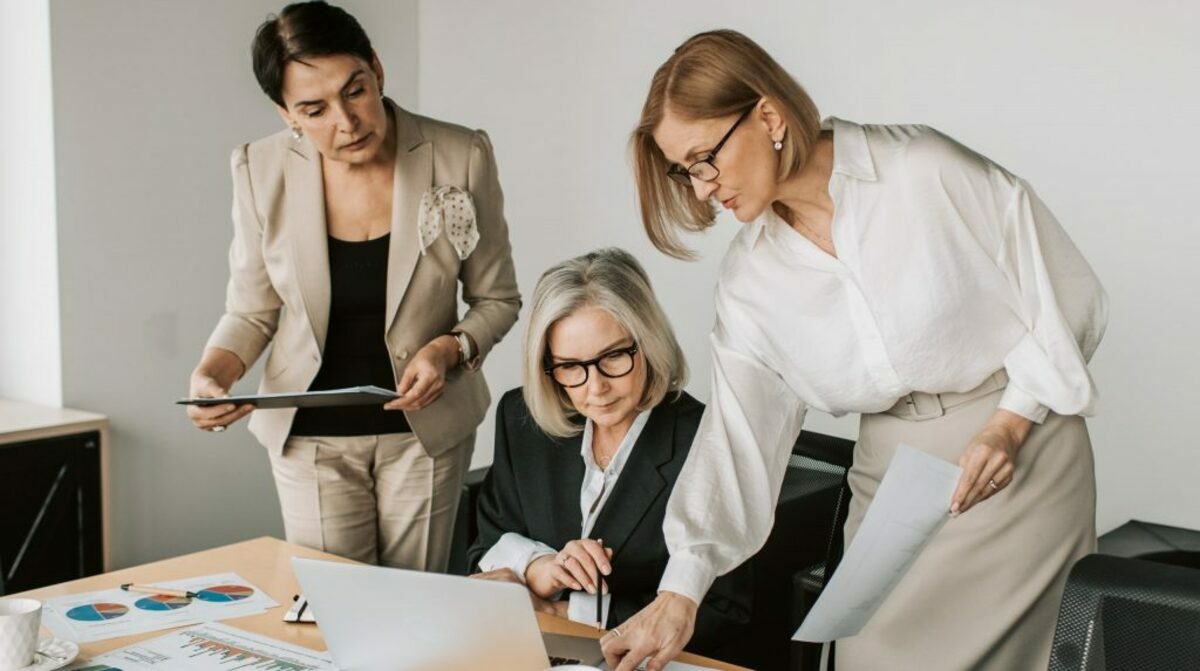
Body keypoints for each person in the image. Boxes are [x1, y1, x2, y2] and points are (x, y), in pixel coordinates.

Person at [602, 30, 1108, 671]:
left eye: (706, 159)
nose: (702, 188)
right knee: (873, 655)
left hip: (1023, 458)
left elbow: (1068, 292)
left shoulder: (923, 169)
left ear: (767, 114)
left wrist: (1009, 426)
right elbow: (739, 435)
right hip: (895, 482)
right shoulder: (749, 280)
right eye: (685, 171)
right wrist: (682, 589)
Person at [185, 1, 520, 572]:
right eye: (314, 109)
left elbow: (497, 299)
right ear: (286, 112)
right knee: (335, 613)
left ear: (377, 69)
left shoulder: (461, 154)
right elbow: (252, 309)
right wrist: (214, 372)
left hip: (425, 431)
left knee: (418, 612)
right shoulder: (257, 168)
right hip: (309, 439)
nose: (346, 121)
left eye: (355, 91)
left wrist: (448, 349)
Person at [468, 248, 750, 655]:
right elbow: (483, 548)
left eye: (614, 357)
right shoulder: (521, 417)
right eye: (569, 366)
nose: (595, 387)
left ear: (648, 341)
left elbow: (726, 612)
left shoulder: (706, 440)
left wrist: (566, 612)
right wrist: (537, 567)